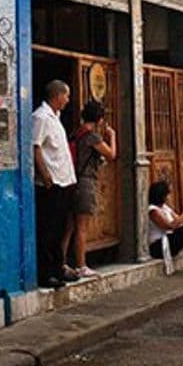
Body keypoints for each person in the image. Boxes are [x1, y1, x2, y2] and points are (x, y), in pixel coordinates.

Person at [62, 100, 117, 279]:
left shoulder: (75, 133)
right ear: (100, 120)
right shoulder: (92, 136)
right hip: (86, 182)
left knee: (69, 226)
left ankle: (60, 263)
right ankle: (81, 265)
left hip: (71, 181)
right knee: (82, 227)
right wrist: (112, 136)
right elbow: (111, 154)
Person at [33, 80, 79, 289]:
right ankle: (46, 273)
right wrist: (46, 177)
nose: (68, 100)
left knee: (60, 228)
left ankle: (58, 267)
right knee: (48, 230)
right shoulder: (41, 118)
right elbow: (35, 148)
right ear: (58, 95)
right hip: (52, 184)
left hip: (64, 181)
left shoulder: (56, 118)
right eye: (66, 96)